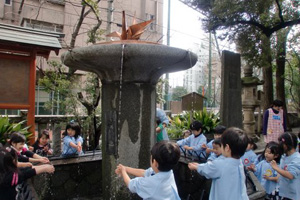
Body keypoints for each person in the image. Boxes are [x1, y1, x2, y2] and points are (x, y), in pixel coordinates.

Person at [188, 127, 249, 200]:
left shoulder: (221, 164)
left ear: (227, 147)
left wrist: (196, 167)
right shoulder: (239, 162)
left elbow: (208, 169)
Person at [115, 141, 181, 200]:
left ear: (154, 162)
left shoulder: (152, 183)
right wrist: (125, 168)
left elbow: (131, 185)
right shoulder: (168, 172)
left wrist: (123, 171)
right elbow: (144, 172)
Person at [270, 132, 300, 200]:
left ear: (286, 145)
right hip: (284, 192)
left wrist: (276, 168)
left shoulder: (297, 158)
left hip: (293, 195)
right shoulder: (284, 156)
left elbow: (291, 175)